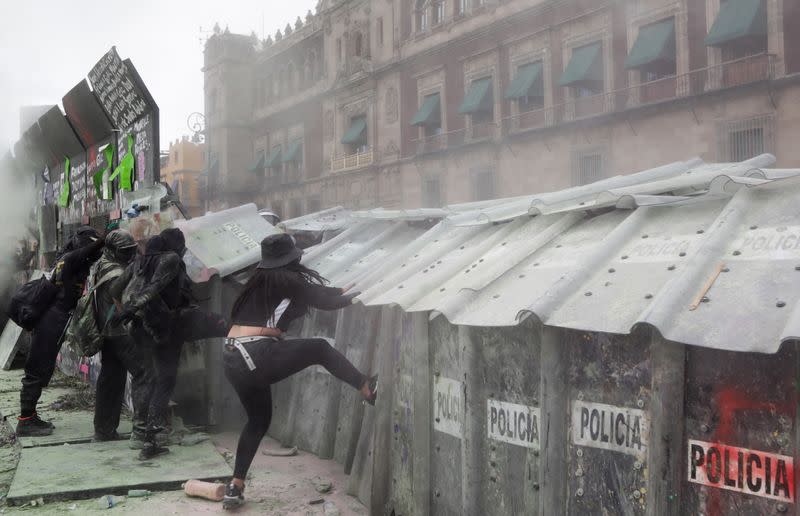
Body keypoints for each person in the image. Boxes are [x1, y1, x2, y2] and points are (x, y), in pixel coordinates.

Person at [221, 233, 378, 510]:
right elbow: (323, 301)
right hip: (254, 353)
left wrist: (341, 292)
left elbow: (317, 295)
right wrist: (361, 295)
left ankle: (235, 485)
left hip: (233, 355)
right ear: (291, 257)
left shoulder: (262, 280)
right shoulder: (286, 279)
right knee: (319, 348)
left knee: (258, 421)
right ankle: (366, 387)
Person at [113, 228, 228, 459]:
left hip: (140, 328)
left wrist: (127, 313)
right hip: (164, 328)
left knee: (151, 379)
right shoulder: (171, 259)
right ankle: (152, 439)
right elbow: (155, 287)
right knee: (164, 380)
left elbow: (114, 289)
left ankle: (144, 434)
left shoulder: (140, 262)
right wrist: (132, 309)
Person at [17, 226, 104, 437]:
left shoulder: (71, 260)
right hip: (51, 318)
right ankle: (25, 421)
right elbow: (85, 252)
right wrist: (105, 239)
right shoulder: (70, 258)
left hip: (54, 318)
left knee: (42, 368)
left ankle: (30, 416)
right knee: (37, 368)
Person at [90, 229, 153, 445]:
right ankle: (142, 431)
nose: (129, 256)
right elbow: (130, 304)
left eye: (131, 251)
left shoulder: (102, 264)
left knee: (111, 380)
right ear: (113, 250)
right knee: (143, 374)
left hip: (108, 331)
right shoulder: (116, 273)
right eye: (125, 252)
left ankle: (104, 430)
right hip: (120, 332)